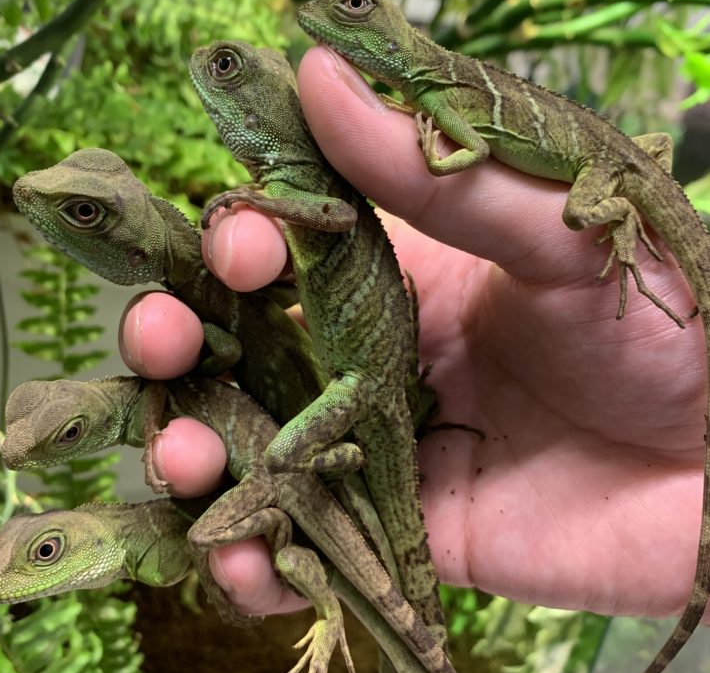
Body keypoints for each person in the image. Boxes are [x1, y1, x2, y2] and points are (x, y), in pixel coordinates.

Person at [119, 46, 707, 623]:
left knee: (276, 456)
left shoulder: (300, 188)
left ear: (259, 114)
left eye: (227, 69)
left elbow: (338, 215)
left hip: (371, 391)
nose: (210, 70)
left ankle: (340, 466)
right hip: (394, 394)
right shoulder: (296, 183)